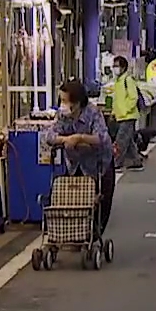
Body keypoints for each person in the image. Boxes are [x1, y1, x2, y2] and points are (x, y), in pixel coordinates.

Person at [49, 78, 115, 237]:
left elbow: (101, 138)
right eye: (61, 100)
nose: (62, 104)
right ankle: (75, 235)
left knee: (101, 204)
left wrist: (79, 138)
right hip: (75, 165)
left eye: (65, 101)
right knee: (74, 201)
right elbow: (50, 136)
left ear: (77, 102)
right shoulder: (62, 115)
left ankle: (94, 235)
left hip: (99, 165)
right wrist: (65, 139)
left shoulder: (93, 113)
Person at [105, 55, 145, 172]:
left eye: (117, 66)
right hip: (121, 116)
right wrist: (114, 113)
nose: (115, 68)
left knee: (121, 141)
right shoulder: (118, 81)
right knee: (128, 140)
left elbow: (133, 98)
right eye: (114, 66)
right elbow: (117, 100)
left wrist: (125, 110)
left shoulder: (128, 80)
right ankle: (136, 162)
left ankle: (117, 164)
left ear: (123, 68)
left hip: (128, 116)